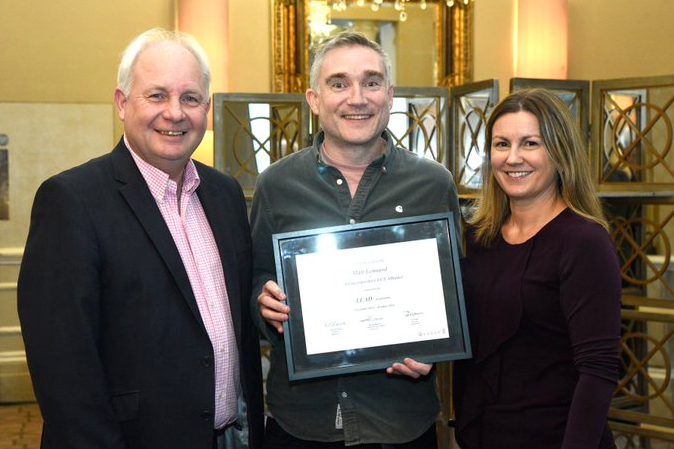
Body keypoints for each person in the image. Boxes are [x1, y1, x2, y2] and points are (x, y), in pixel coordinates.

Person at [17, 28, 263, 449]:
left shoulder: (224, 195)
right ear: (121, 103)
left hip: (230, 438)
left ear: (207, 107)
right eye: (156, 95)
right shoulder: (72, 201)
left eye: (190, 98)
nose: (175, 113)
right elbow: (64, 370)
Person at [250, 31, 462, 448]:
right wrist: (263, 301)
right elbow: (253, 278)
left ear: (389, 94)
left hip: (401, 421)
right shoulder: (276, 184)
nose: (357, 97)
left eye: (371, 81)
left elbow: (456, 291)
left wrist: (434, 351)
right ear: (313, 99)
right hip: (302, 422)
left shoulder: (433, 184)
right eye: (338, 83)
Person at [452, 88, 621, 448]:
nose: (513, 158)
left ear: (560, 152)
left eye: (530, 143)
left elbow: (598, 371)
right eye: (501, 144)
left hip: (557, 437)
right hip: (483, 435)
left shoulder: (584, 242)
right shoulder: (477, 239)